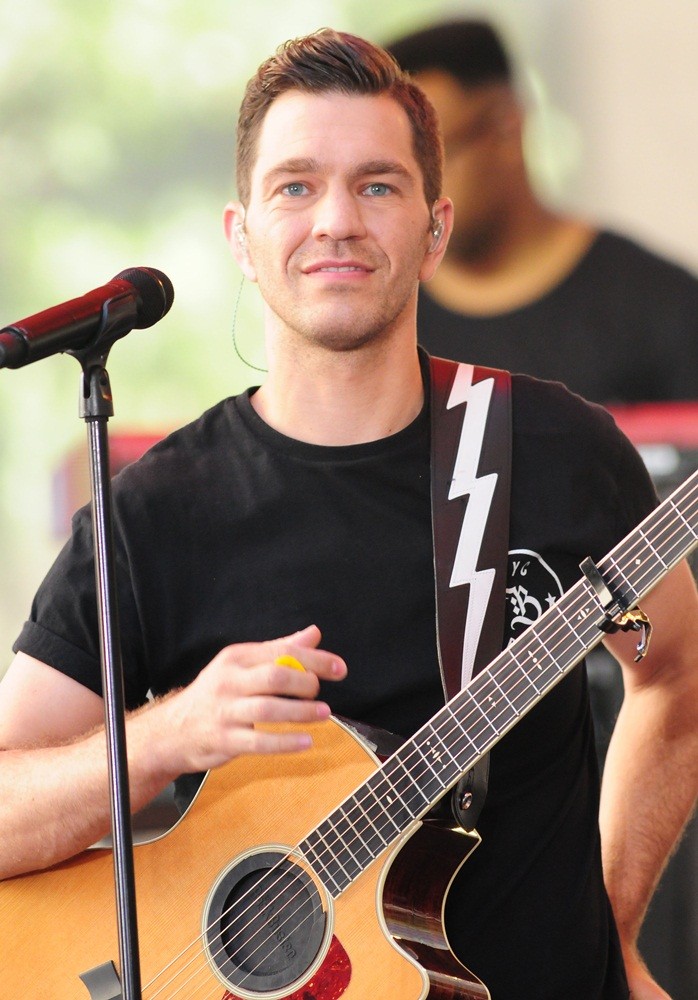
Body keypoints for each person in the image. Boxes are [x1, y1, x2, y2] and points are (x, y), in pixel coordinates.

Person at [0, 28, 696, 1000]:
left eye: (375, 185)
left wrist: (614, 926)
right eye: (294, 185)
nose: (334, 218)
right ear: (241, 238)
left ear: (433, 230)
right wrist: (171, 734)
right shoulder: (156, 513)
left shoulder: (555, 450)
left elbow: (675, 678)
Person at [387, 19, 698, 405]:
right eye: (386, 178)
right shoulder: (385, 321)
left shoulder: (662, 307)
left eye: (433, 161)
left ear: (504, 129)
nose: (413, 193)